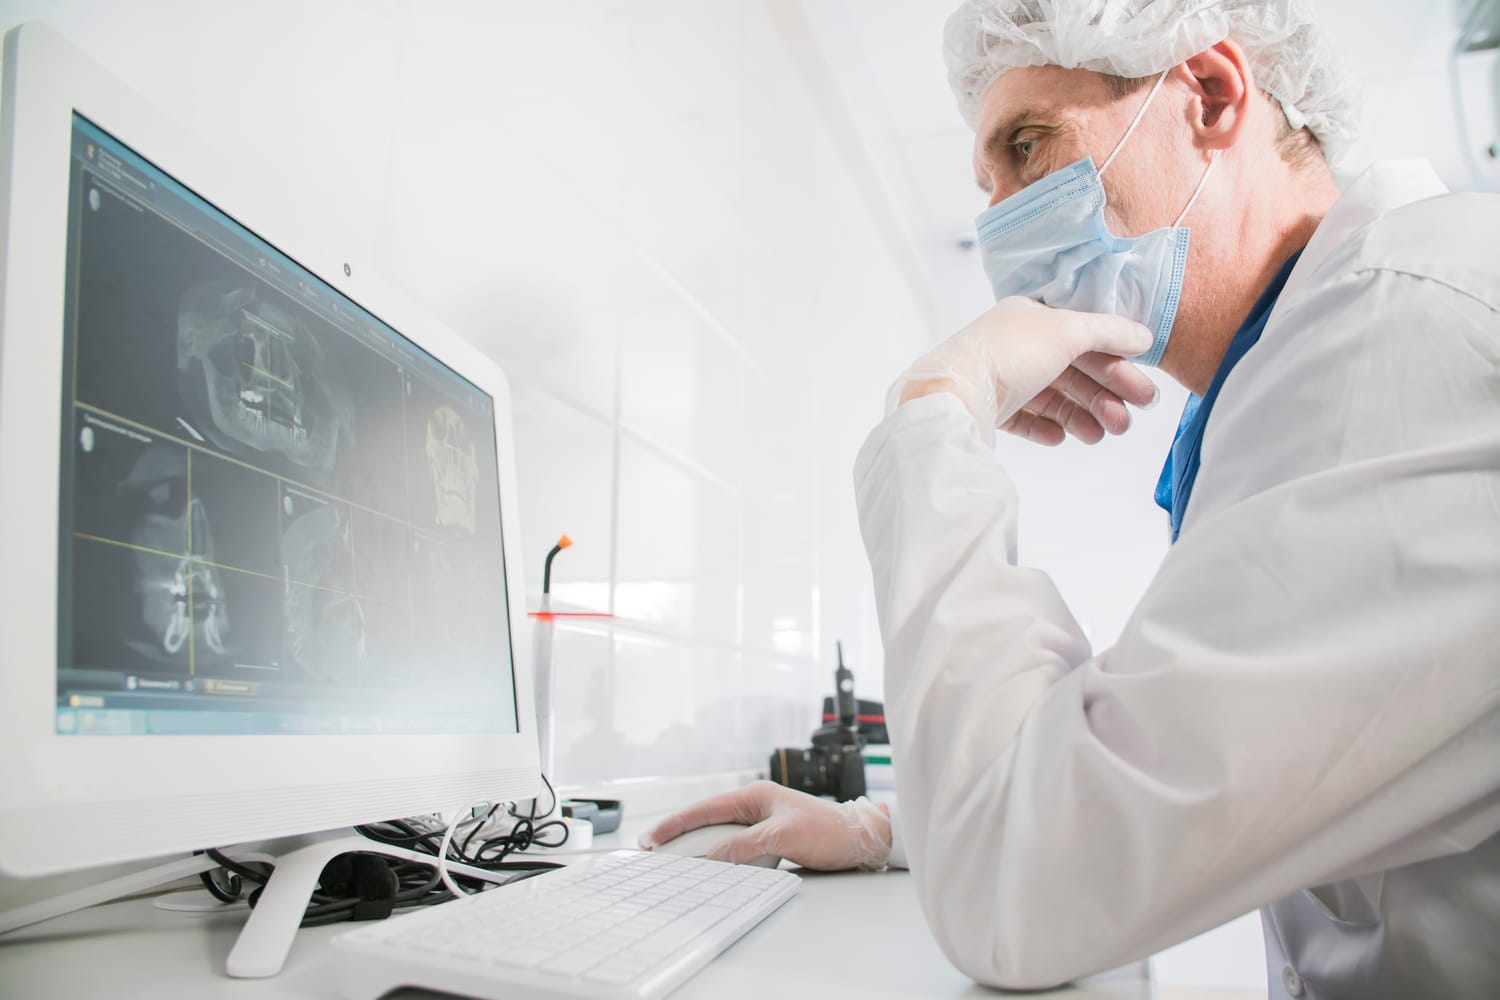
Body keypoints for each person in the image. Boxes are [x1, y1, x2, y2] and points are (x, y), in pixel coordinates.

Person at [642, 2, 1500, 997]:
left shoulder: (1404, 333)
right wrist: (881, 826)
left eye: (1027, 143)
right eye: (986, 183)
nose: (998, 217)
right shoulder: (1313, 357)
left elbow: (1026, 891)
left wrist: (935, 412)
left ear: (1212, 96)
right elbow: (1168, 760)